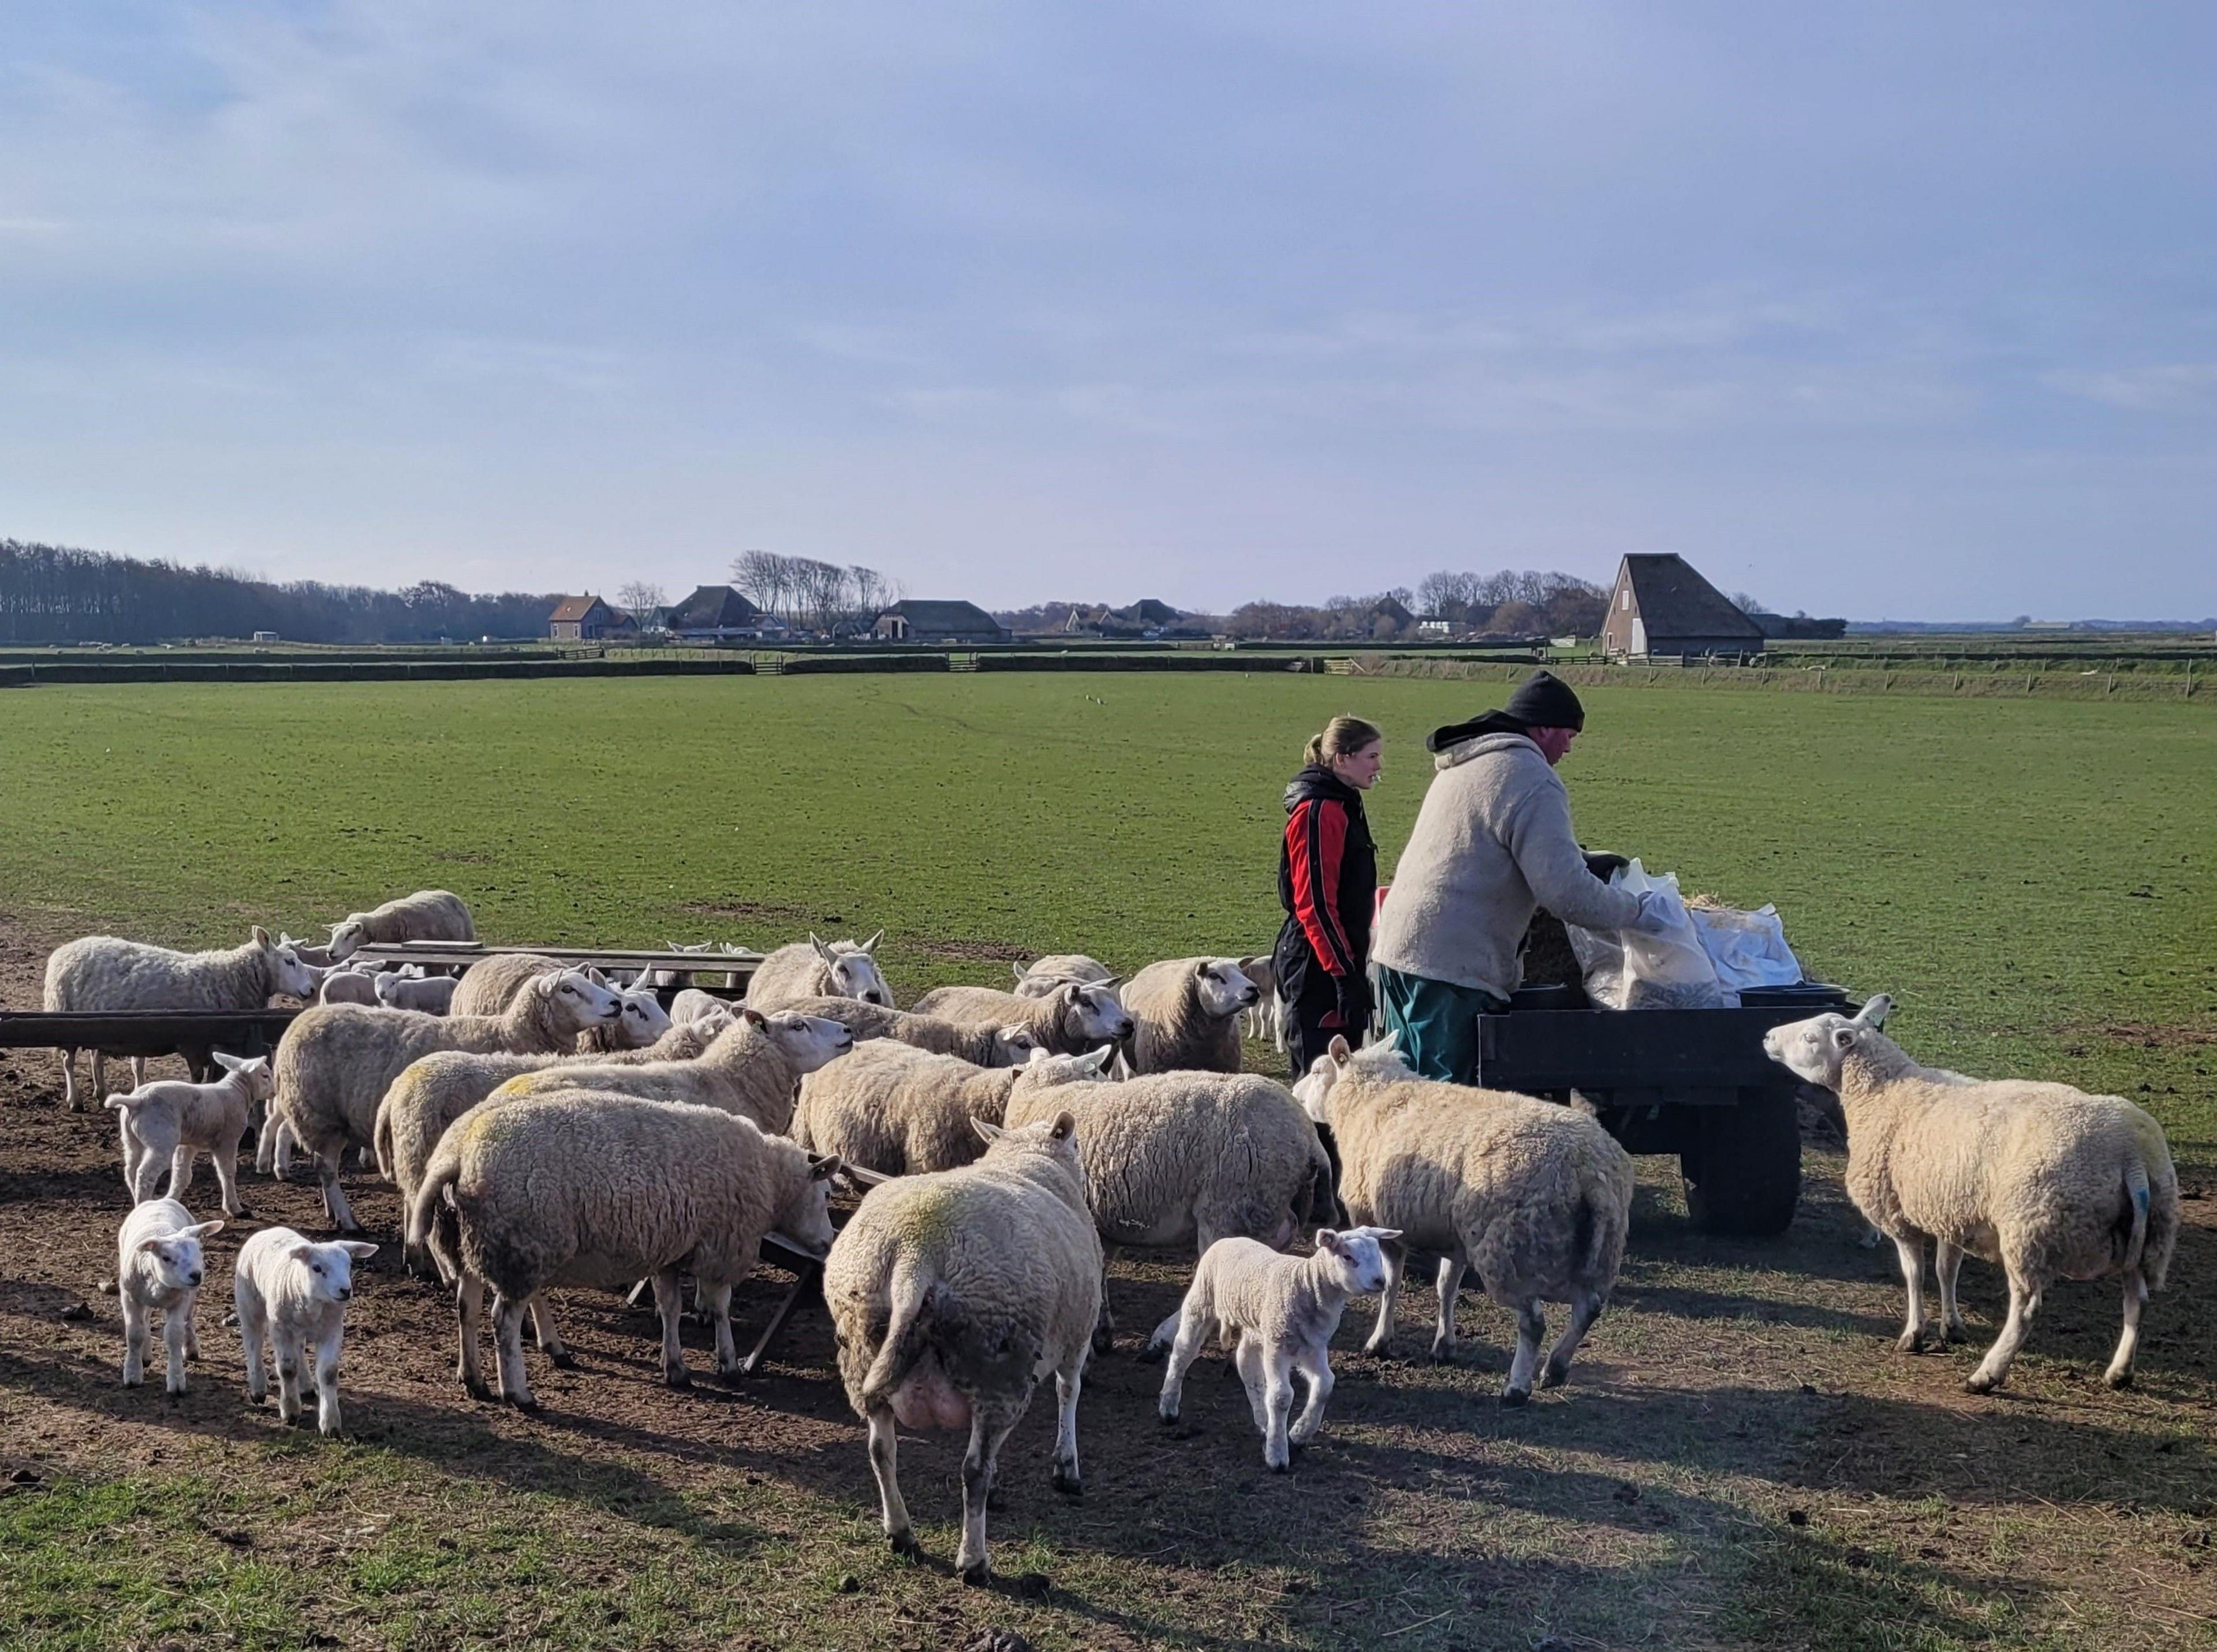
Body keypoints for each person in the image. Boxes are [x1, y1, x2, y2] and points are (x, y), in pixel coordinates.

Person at [1369, 670, 1670, 1084]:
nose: (1569, 747)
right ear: (1543, 727)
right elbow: (1565, 893)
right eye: (1568, 734)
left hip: (1399, 951)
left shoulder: (1469, 762)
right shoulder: (1530, 776)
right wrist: (1635, 911)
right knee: (1444, 1110)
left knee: (1404, 1099)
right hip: (1451, 968)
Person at [1274, 715, 1383, 1077]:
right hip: (1315, 965)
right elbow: (1315, 905)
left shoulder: (1343, 803)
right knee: (1320, 1084)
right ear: (1342, 759)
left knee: (1344, 1081)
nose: (1378, 766)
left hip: (1335, 958)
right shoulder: (1320, 813)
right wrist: (1343, 976)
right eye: (1371, 756)